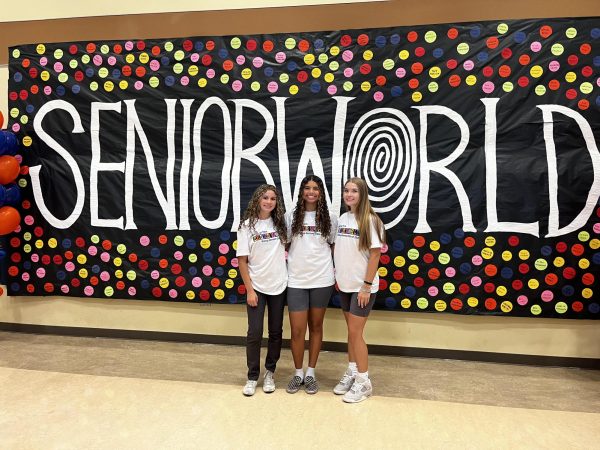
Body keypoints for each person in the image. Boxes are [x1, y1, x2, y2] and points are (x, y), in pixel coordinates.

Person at [333, 177, 385, 403]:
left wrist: (366, 285)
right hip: (345, 285)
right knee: (351, 332)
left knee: (356, 333)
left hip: (362, 287)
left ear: (362, 194)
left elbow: (375, 254)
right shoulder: (344, 218)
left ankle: (364, 382)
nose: (349, 194)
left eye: (354, 191)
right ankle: (353, 372)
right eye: (346, 191)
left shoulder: (371, 220)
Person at [285, 175, 337, 395]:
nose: (311, 192)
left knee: (316, 327)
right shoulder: (290, 217)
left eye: (315, 188)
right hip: (296, 280)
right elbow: (284, 244)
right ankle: (298, 372)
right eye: (307, 188)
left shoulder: (331, 218)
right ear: (301, 191)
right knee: (297, 330)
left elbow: (334, 247)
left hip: (322, 280)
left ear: (321, 192)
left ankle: (311, 373)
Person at [237, 184, 288, 396]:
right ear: (258, 199)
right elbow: (242, 261)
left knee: (276, 332)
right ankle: (252, 376)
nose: (269, 202)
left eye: (273, 199)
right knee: (254, 332)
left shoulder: (281, 224)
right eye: (265, 197)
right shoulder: (247, 226)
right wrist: (249, 289)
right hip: (256, 287)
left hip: (279, 285)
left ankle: (270, 372)